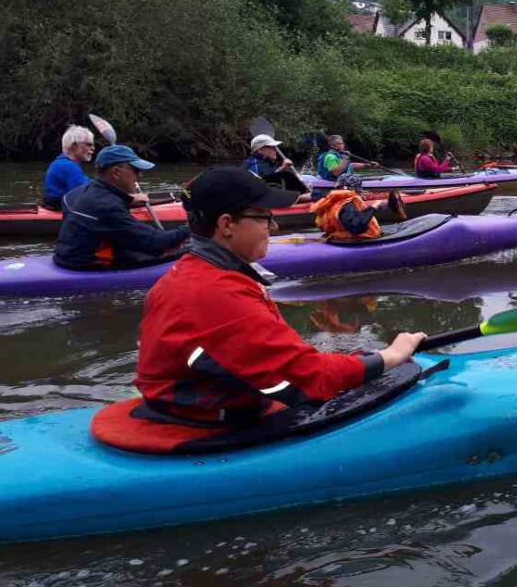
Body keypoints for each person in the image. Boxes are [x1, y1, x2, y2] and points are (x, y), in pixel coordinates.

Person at [134, 166, 426, 427]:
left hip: (188, 403)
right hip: (205, 421)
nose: (273, 227)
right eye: (264, 217)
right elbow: (310, 377)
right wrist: (390, 355)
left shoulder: (190, 273)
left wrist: (354, 361)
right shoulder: (217, 293)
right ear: (226, 225)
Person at [54, 145, 191, 270]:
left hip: (65, 256)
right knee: (188, 252)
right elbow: (156, 242)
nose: (139, 176)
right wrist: (192, 226)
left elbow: (98, 208)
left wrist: (129, 199)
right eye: (136, 170)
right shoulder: (108, 208)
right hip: (86, 264)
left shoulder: (73, 194)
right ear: (116, 172)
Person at [313, 171, 406, 242]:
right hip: (355, 241)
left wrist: (377, 207)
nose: (359, 192)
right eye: (358, 189)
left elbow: (352, 217)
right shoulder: (346, 205)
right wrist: (373, 208)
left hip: (340, 237)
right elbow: (357, 227)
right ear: (352, 188)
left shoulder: (335, 202)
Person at [244, 134, 311, 203]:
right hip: (262, 202)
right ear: (261, 149)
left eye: (275, 147)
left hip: (271, 197)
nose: (275, 150)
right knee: (287, 175)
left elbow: (270, 177)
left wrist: (282, 168)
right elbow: (261, 185)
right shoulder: (254, 164)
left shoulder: (265, 162)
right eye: (272, 147)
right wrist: (299, 198)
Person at [41, 125, 96, 210]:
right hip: (59, 208)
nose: (93, 148)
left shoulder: (61, 162)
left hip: (53, 204)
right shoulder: (68, 167)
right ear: (73, 146)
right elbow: (86, 195)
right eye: (88, 145)